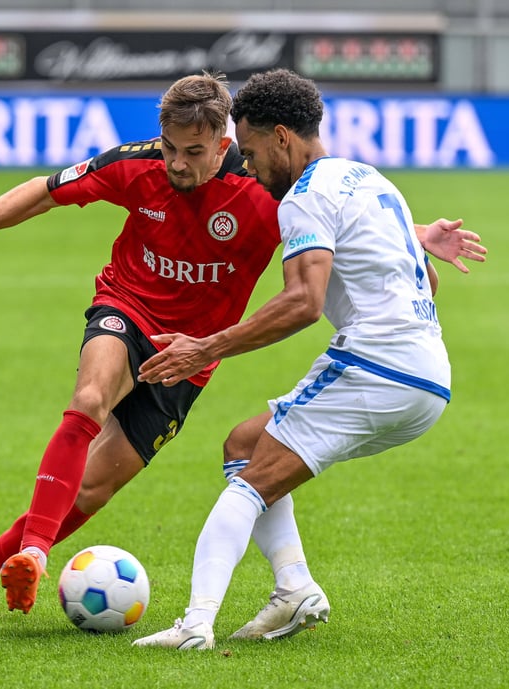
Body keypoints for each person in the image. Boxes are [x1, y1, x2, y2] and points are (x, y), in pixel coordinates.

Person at [0, 72, 486, 622]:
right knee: (90, 398)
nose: (177, 163)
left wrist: (415, 237)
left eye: (193, 152)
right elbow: (46, 191)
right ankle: (33, 553)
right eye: (170, 148)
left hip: (191, 355)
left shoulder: (262, 190)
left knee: (93, 487)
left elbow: (334, 222)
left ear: (224, 143)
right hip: (127, 309)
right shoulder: (136, 164)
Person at [133, 69, 481, 650]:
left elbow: (302, 303)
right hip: (428, 378)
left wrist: (206, 345)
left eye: (250, 149)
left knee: (248, 484)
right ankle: (294, 586)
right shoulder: (371, 181)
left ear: (281, 137)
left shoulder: (305, 195)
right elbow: (430, 283)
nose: (245, 164)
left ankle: (194, 624)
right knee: (244, 445)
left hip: (377, 367)